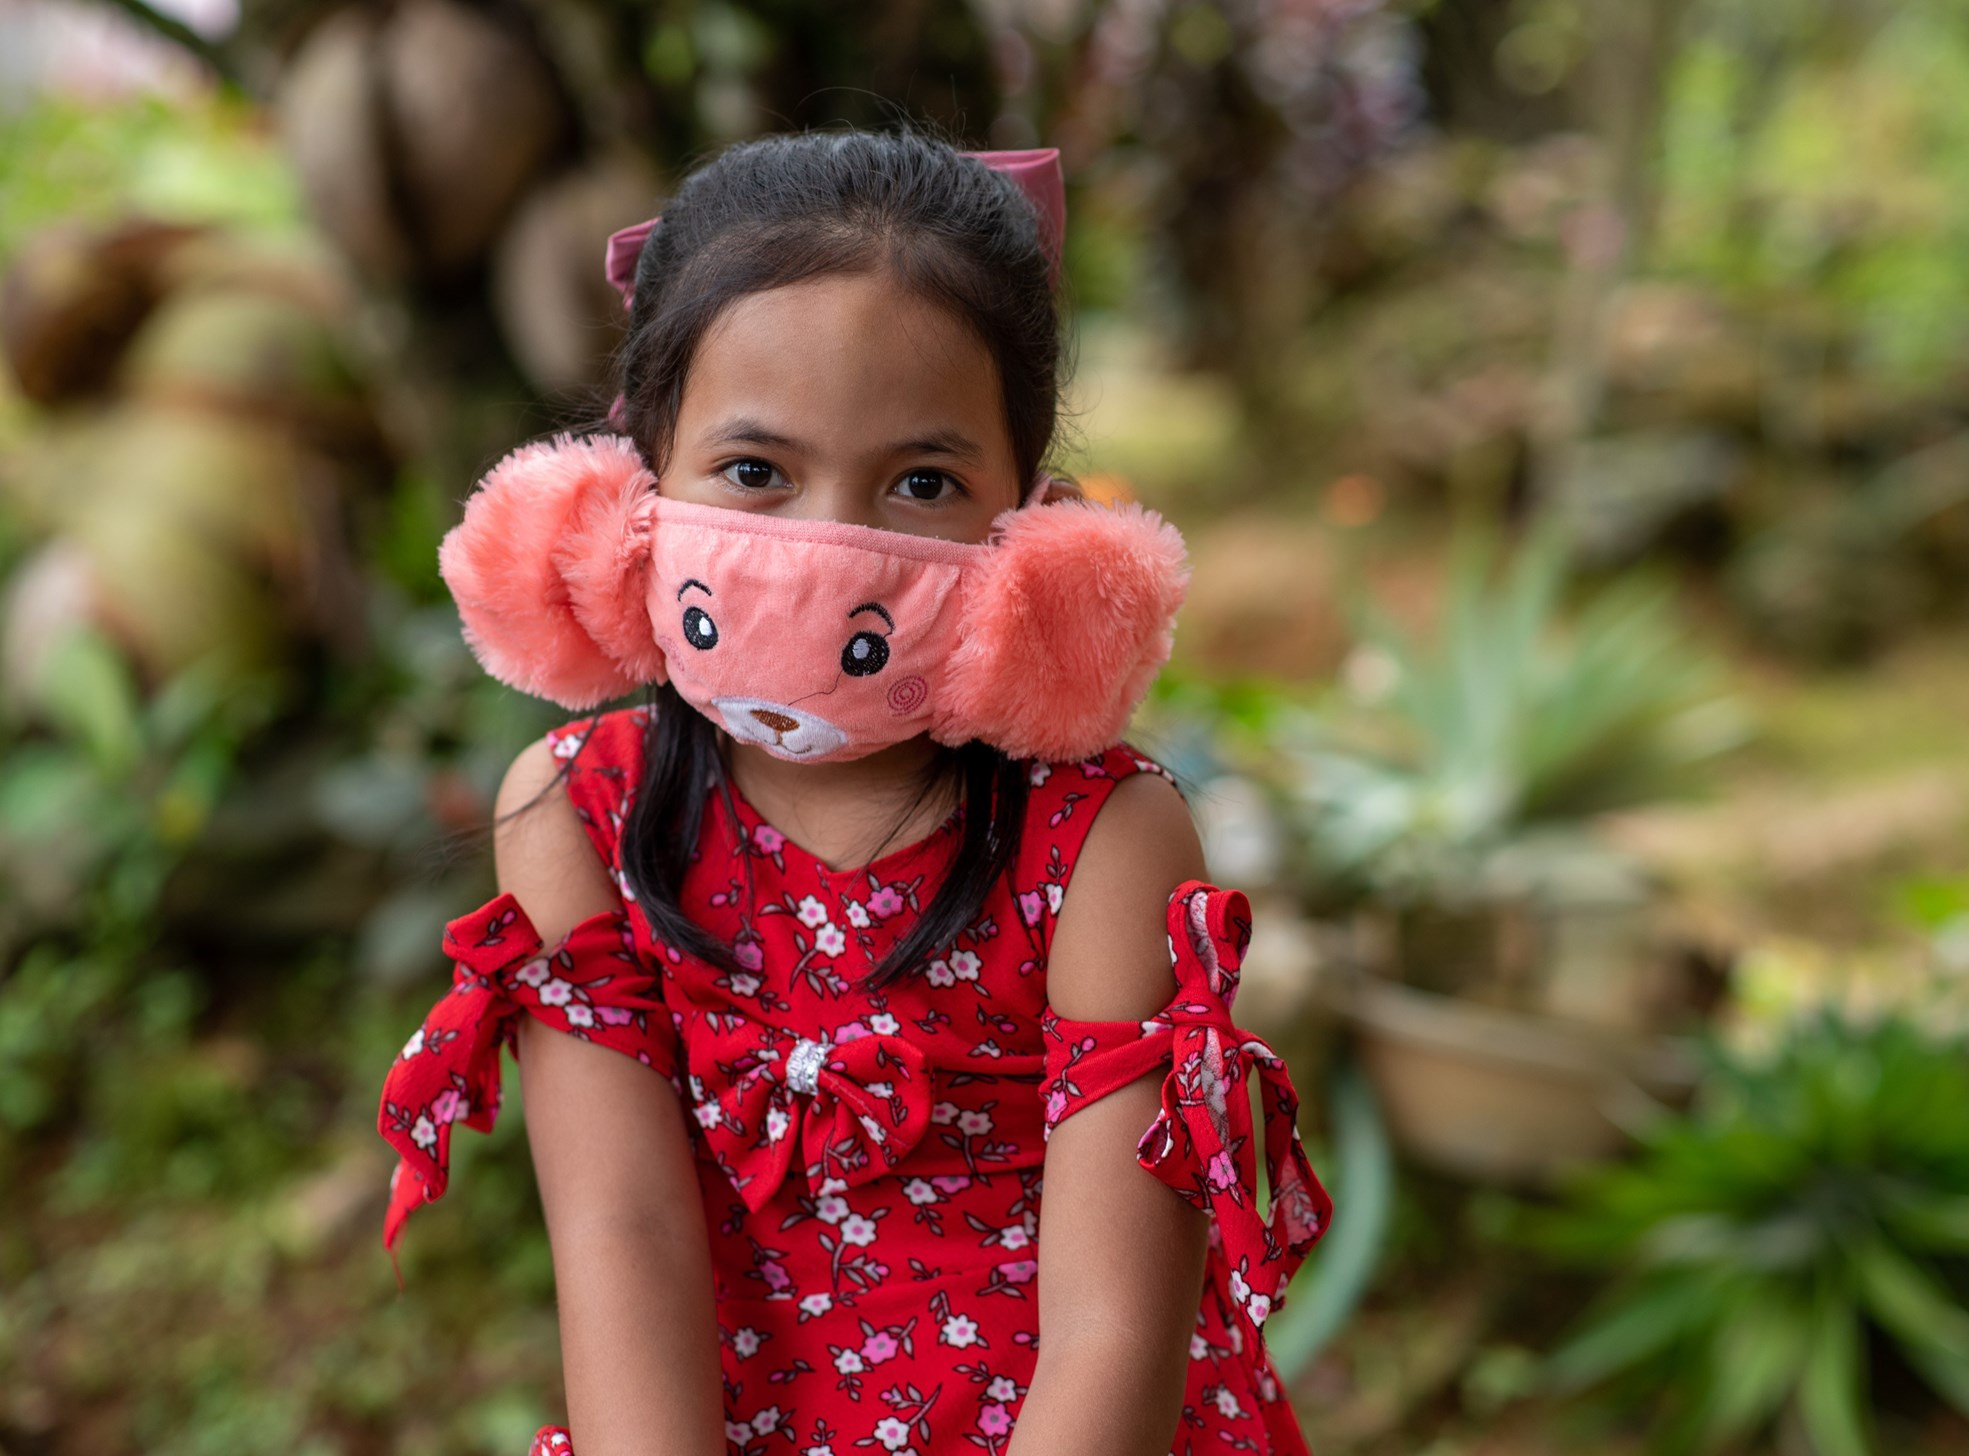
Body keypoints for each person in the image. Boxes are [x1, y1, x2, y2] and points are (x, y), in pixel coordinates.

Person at [376, 129, 1331, 1456]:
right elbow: (620, 1231)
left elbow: (1115, 1326)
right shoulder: (570, 816)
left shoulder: (1104, 836)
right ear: (634, 480)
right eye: (756, 472)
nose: (825, 547)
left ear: (1037, 517)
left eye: (922, 483)